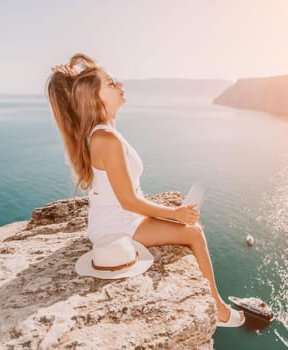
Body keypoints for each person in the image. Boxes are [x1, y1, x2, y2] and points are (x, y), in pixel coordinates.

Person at [46, 53, 245, 327]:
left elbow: (126, 196)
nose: (119, 84)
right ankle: (218, 308)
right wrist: (174, 213)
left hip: (122, 217)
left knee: (191, 226)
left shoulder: (104, 131)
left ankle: (218, 305)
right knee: (194, 233)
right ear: (96, 98)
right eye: (110, 83)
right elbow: (128, 201)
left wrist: (69, 80)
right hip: (116, 226)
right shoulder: (105, 138)